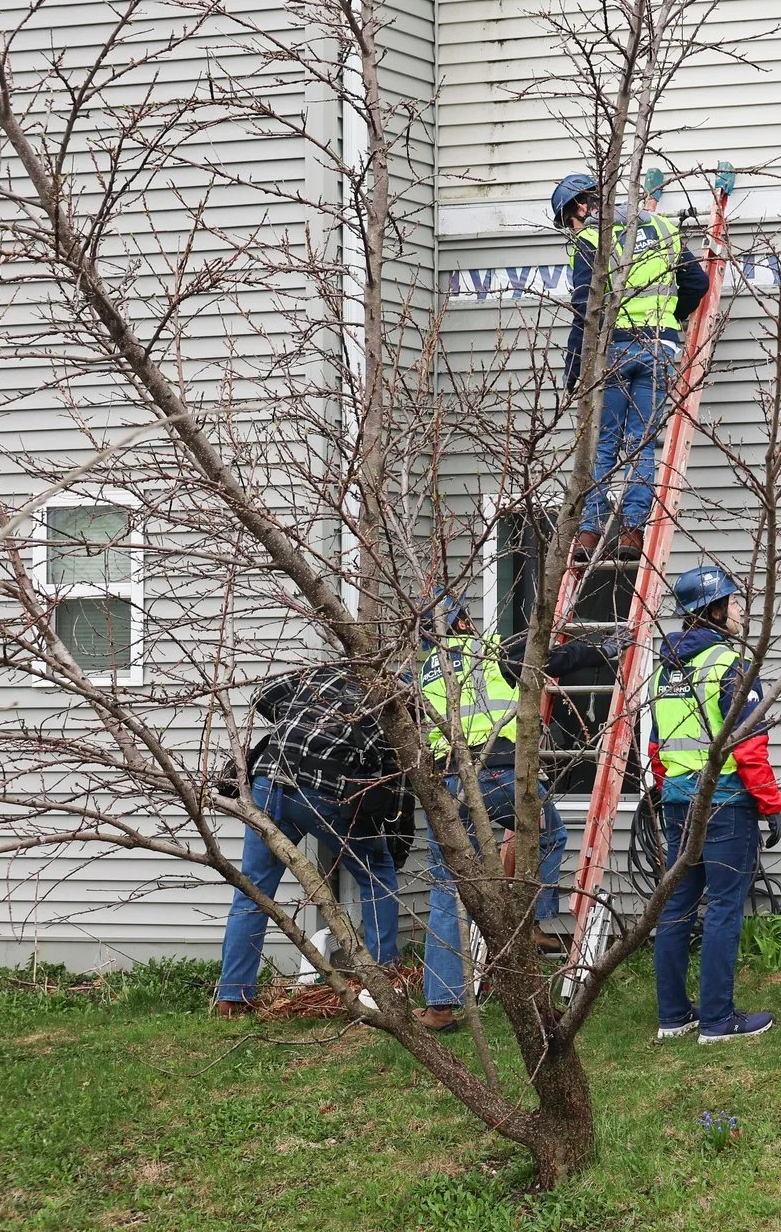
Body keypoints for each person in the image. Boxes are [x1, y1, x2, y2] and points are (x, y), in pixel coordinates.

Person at [412, 591, 582, 1033]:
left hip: (449, 785)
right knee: (548, 835)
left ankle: (440, 1006)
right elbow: (554, 659)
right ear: (465, 623)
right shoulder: (492, 652)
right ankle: (530, 922)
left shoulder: (421, 672)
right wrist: (603, 651)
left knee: (448, 890)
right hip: (502, 775)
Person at [647, 565, 781, 1045]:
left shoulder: (665, 669)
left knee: (678, 906)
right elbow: (748, 745)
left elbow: (656, 749)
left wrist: (672, 792)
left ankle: (672, 1017)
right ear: (712, 610)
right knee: (726, 907)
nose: (741, 610)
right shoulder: (729, 666)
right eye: (734, 602)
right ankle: (717, 1020)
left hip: (678, 804)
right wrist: (769, 805)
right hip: (726, 803)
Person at [214, 661, 403, 1015]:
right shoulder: (387, 696)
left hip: (270, 781)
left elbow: (261, 696)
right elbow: (386, 758)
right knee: (377, 873)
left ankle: (232, 997)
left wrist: (298, 721)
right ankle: (385, 976)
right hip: (325, 791)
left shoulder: (320, 674)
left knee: (254, 889)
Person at [551, 172, 709, 560]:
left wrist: (574, 371)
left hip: (615, 352)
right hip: (658, 349)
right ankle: (632, 533)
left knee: (604, 445)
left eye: (570, 221)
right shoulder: (660, 226)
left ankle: (589, 533)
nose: (573, 229)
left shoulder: (591, 241)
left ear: (581, 207)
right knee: (641, 446)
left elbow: (584, 315)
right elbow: (697, 284)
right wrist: (669, 322)